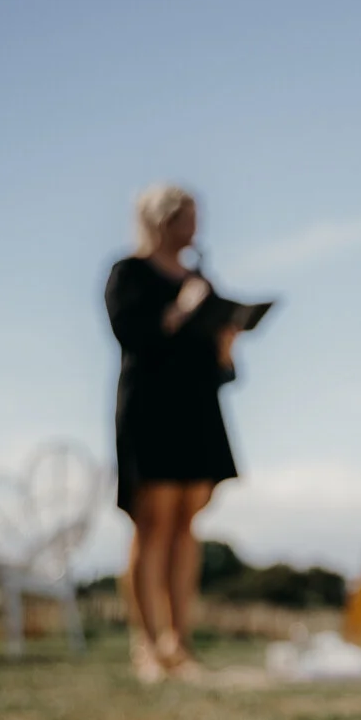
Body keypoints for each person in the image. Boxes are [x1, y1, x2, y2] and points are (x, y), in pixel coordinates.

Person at [104, 185, 242, 682]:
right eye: (186, 219)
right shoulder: (129, 274)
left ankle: (179, 643)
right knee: (153, 523)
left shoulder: (202, 278)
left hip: (198, 411)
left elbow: (222, 370)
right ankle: (147, 645)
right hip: (151, 411)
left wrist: (226, 345)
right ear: (161, 222)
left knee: (187, 524)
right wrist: (184, 309)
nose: (195, 229)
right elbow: (132, 336)